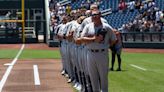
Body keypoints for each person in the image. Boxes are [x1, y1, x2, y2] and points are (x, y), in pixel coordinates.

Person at [80, 10, 116, 92]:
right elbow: (82, 39)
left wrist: (107, 46)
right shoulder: (88, 26)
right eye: (92, 15)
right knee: (93, 77)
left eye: (96, 15)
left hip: (102, 53)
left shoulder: (106, 27)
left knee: (103, 77)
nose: (94, 16)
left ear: (100, 15)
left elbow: (114, 39)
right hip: (90, 53)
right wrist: (93, 39)